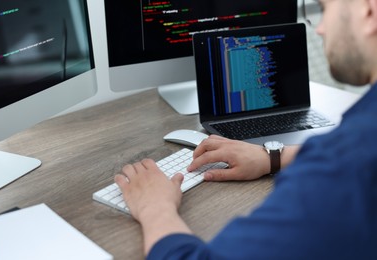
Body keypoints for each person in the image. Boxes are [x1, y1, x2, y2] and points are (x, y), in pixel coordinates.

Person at [115, 0, 377, 258]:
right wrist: (273, 156)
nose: (319, 28)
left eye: (325, 8)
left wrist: (155, 208)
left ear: (369, 11)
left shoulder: (344, 167)